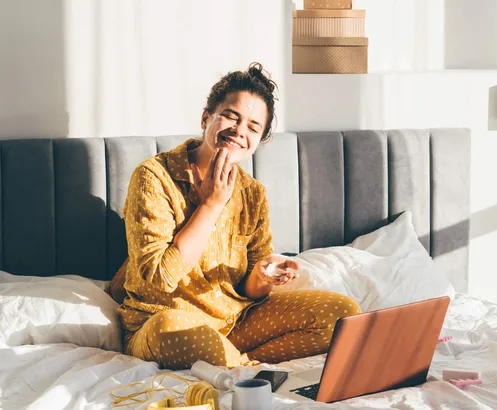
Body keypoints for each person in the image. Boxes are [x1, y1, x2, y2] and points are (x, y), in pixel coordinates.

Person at [107, 62, 361, 370]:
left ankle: (239, 363)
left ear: (257, 143)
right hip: (163, 323)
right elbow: (161, 279)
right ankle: (248, 373)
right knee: (170, 328)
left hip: (234, 322)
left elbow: (249, 291)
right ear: (206, 117)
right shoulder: (153, 177)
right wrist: (211, 205)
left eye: (253, 127)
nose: (240, 131)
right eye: (231, 116)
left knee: (343, 312)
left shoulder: (252, 193)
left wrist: (263, 276)